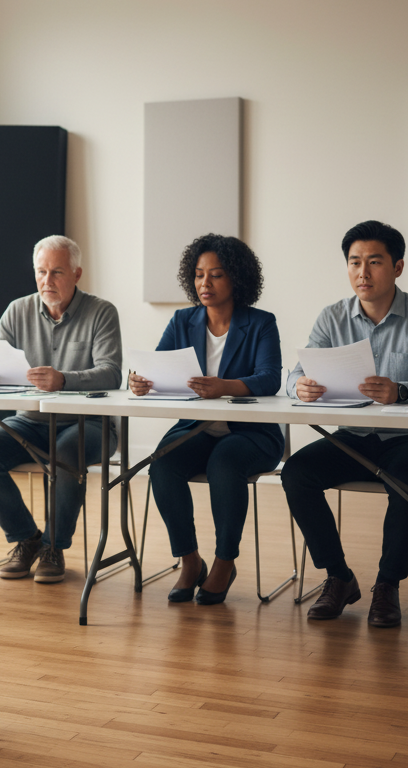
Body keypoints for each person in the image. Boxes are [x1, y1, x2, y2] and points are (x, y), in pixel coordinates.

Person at [281, 220, 408, 628]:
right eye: (354, 262)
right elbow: (292, 375)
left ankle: (387, 585)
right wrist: (301, 386)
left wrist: (401, 391)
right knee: (296, 473)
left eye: (374, 262)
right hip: (353, 438)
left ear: (397, 267)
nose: (362, 273)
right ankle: (339, 577)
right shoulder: (332, 318)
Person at [129, 234, 283, 605]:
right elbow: (158, 365)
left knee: (224, 462)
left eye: (215, 275)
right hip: (196, 429)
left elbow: (269, 378)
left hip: (252, 434)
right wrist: (140, 380)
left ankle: (225, 562)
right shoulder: (183, 321)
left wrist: (224, 386)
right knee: (162, 463)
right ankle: (190, 560)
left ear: (237, 279)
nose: (204, 284)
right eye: (198, 275)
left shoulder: (260, 323)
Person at [0, 235, 122, 583]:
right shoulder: (18, 310)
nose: (47, 281)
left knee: (66, 451)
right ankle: (28, 538)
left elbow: (111, 373)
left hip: (90, 424)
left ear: (77, 274)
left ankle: (54, 547)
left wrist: (63, 379)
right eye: (41, 272)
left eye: (57, 272)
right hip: (31, 421)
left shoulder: (101, 312)